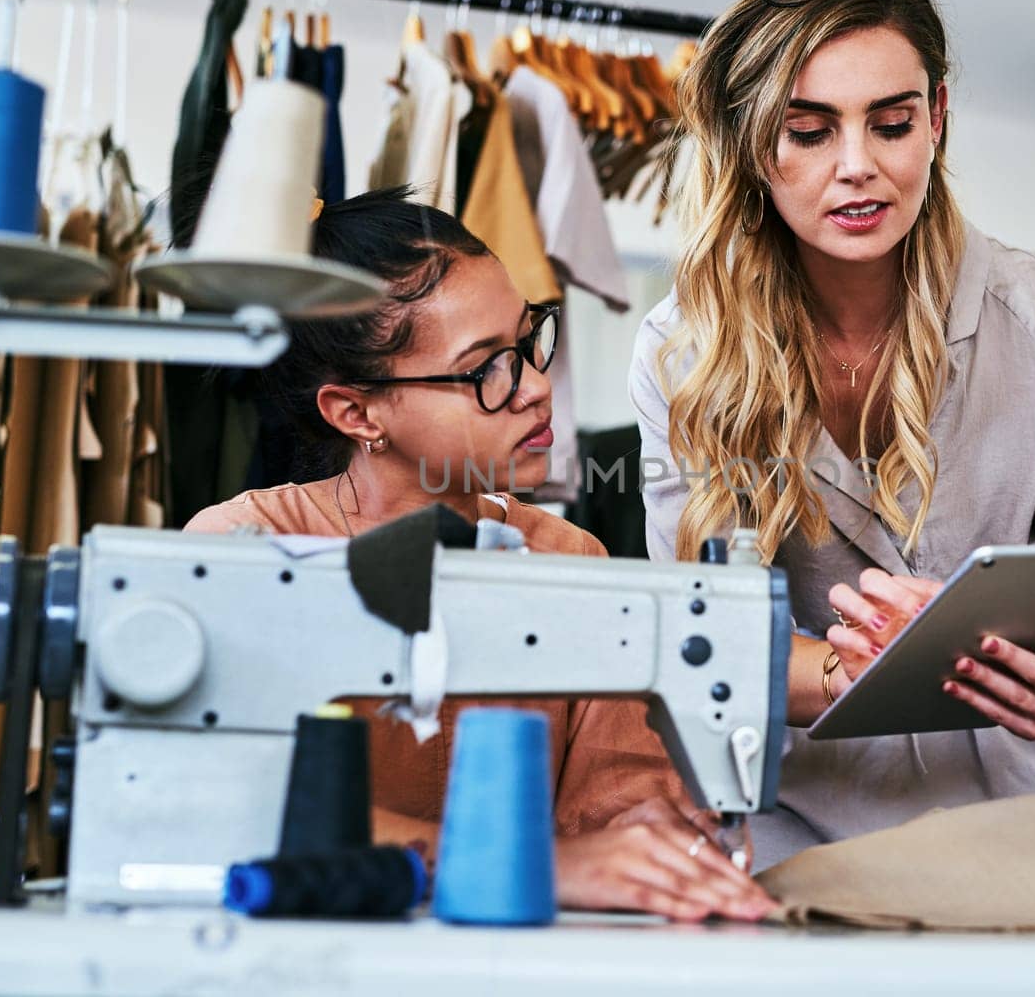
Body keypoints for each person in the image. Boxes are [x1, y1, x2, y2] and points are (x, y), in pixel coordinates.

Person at [630, 0, 1035, 869]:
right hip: (797, 841)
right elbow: (694, 639)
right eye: (809, 130)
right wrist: (854, 667)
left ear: (937, 120)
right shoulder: (682, 353)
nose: (858, 168)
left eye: (892, 123)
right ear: (755, 142)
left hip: (1029, 840)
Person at [189, 188, 773, 921]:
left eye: (530, 341)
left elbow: (623, 805)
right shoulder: (240, 554)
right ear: (356, 412)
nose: (534, 388)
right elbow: (228, 805)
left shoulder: (571, 562)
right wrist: (546, 863)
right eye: (484, 370)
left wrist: (661, 844)